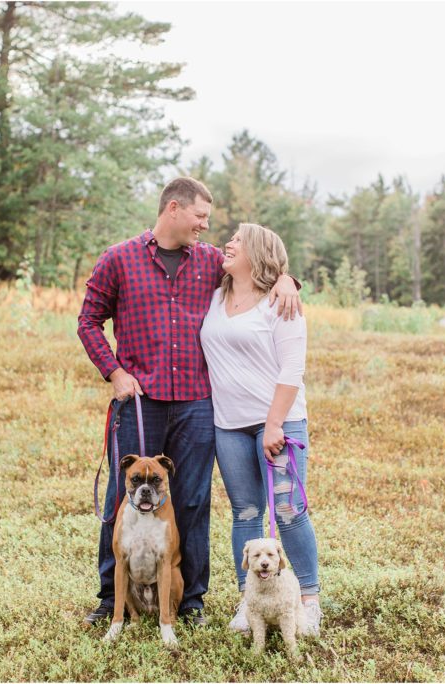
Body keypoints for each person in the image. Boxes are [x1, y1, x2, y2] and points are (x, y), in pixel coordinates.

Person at [77, 178, 302, 626]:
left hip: (199, 404)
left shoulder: (210, 261)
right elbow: (88, 320)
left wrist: (288, 280)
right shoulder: (119, 259)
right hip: (141, 400)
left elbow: (255, 264)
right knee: (121, 499)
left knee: (194, 499)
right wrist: (114, 371)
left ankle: (192, 600)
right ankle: (110, 598)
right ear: (174, 209)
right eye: (200, 216)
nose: (205, 225)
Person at [199, 222, 323, 636]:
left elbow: (292, 370)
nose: (227, 243)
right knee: (246, 513)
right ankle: (248, 600)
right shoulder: (216, 295)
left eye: (237, 240)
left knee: (288, 513)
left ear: (258, 253)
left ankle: (307, 600)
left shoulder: (280, 303)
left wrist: (273, 424)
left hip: (279, 423)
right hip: (229, 426)